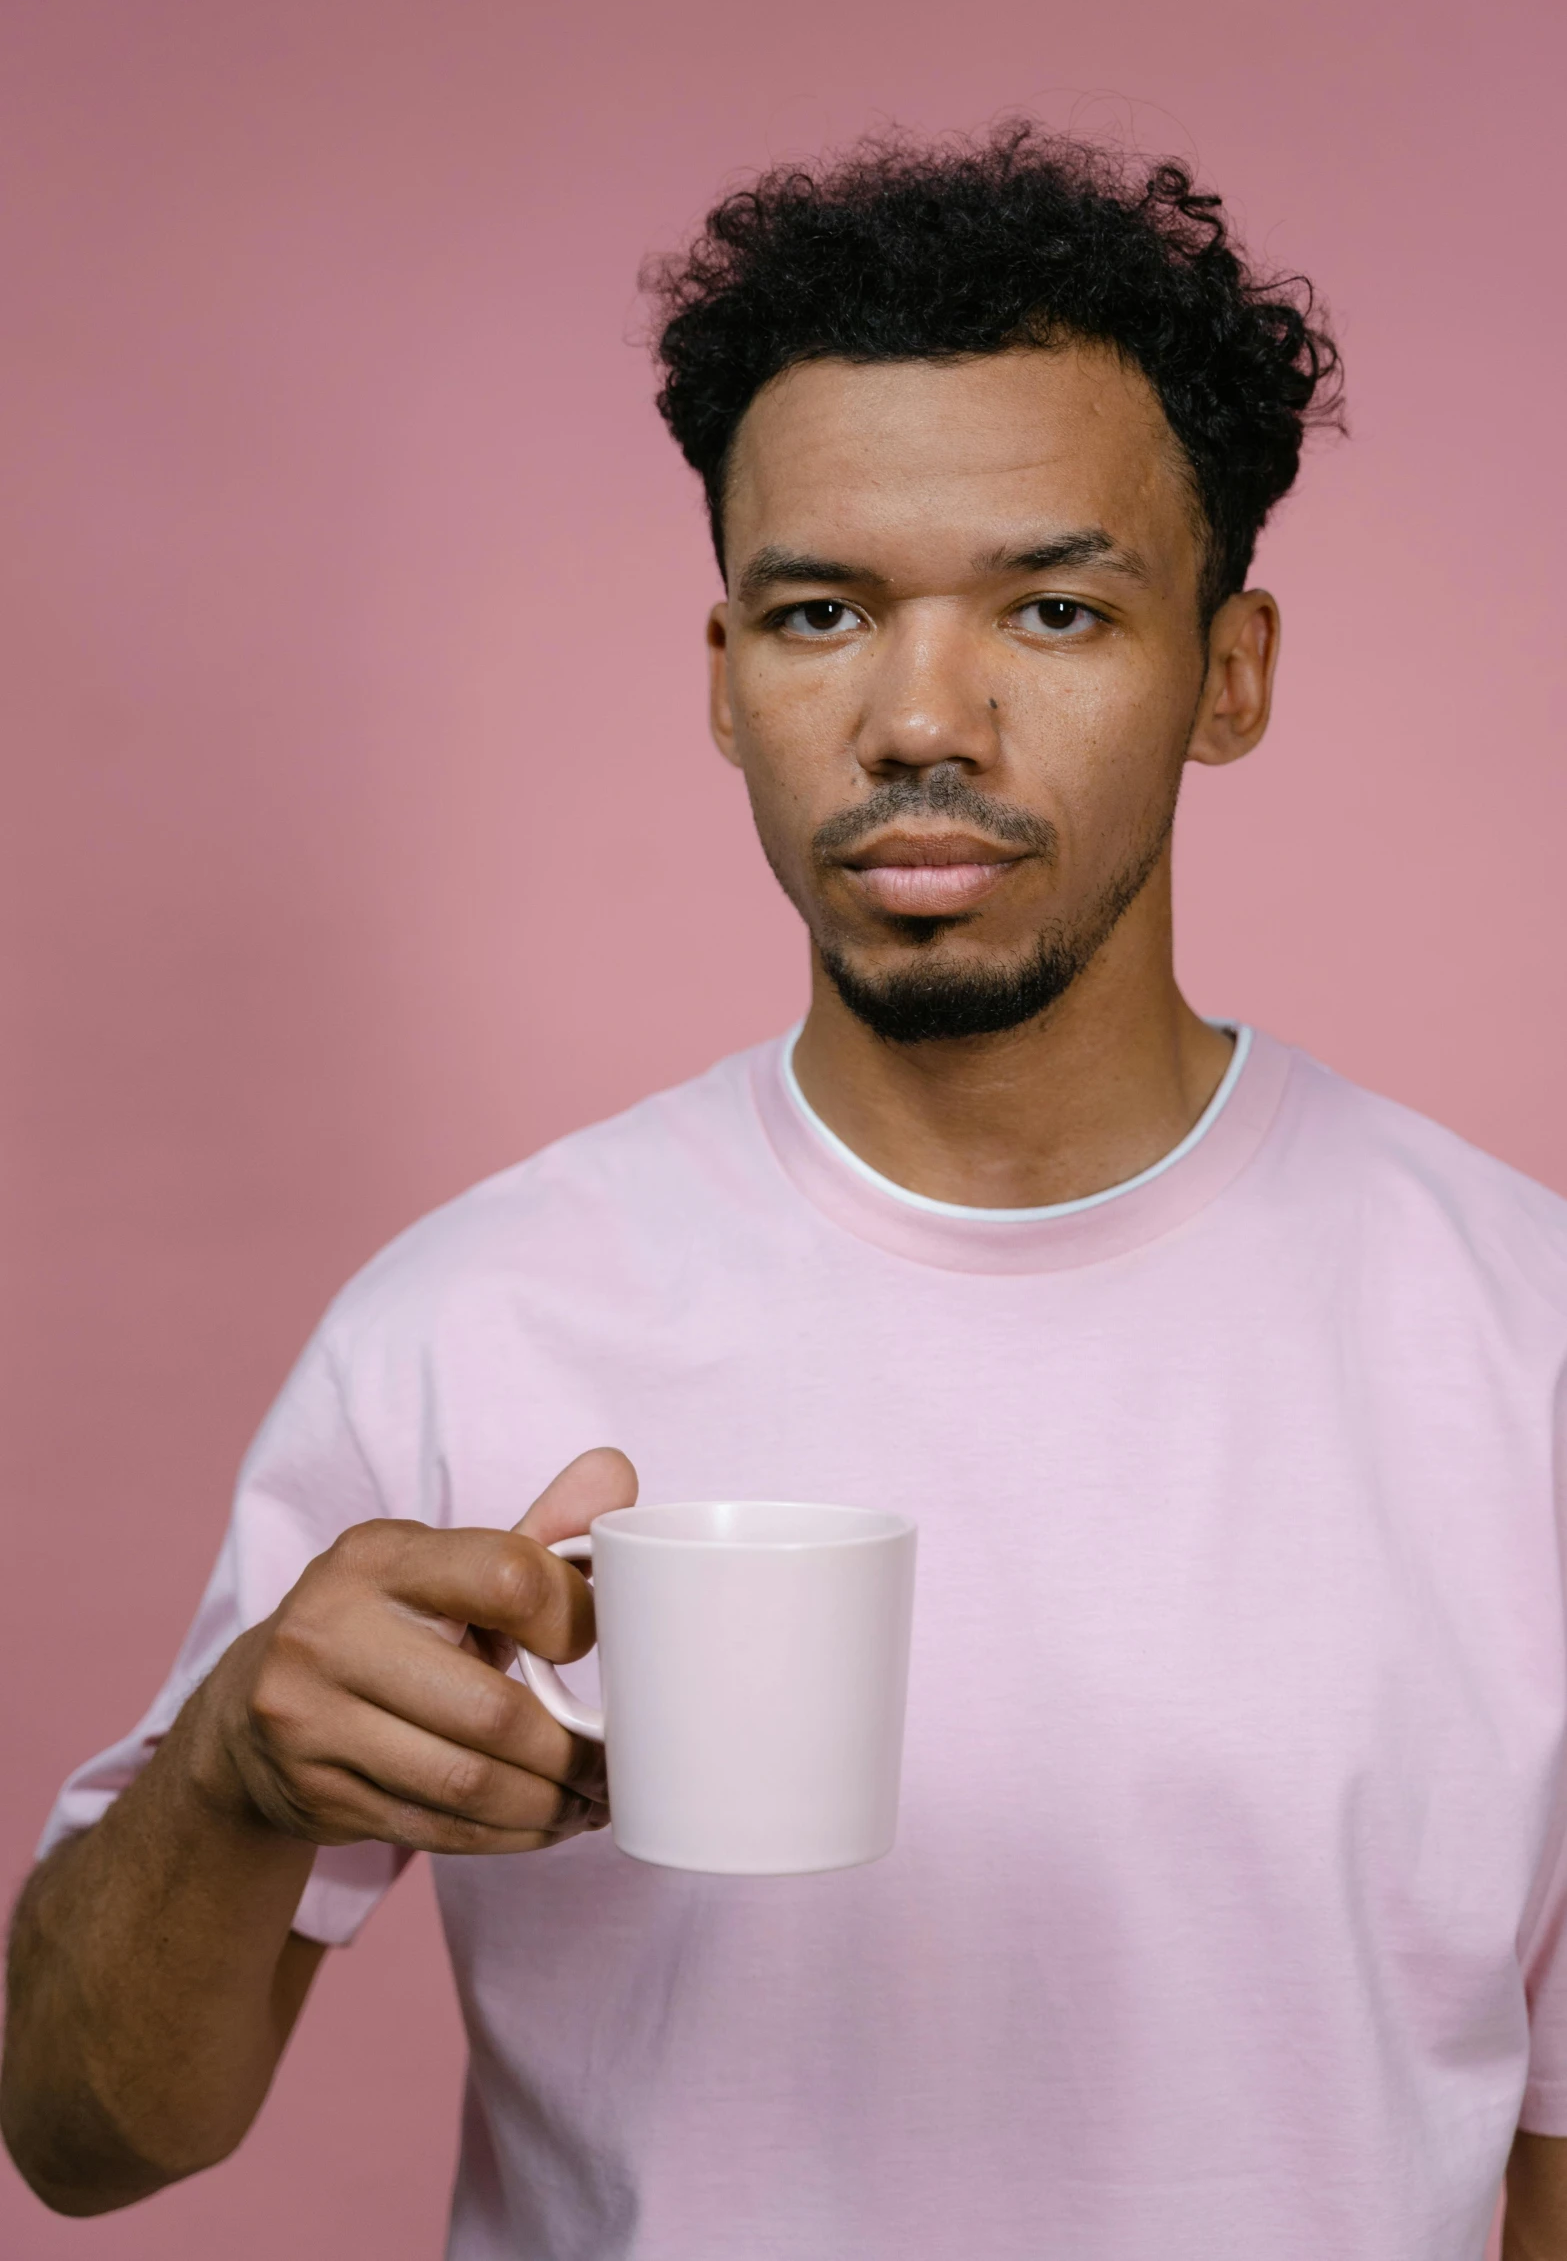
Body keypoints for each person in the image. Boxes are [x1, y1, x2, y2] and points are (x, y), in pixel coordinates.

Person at [4, 122, 1566, 2261]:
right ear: (727, 677)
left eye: (1056, 604)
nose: (923, 717)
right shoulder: (475, 1318)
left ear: (1230, 673)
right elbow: (85, 2136)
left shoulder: (1526, 1342)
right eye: (821, 610)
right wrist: (232, 1779)